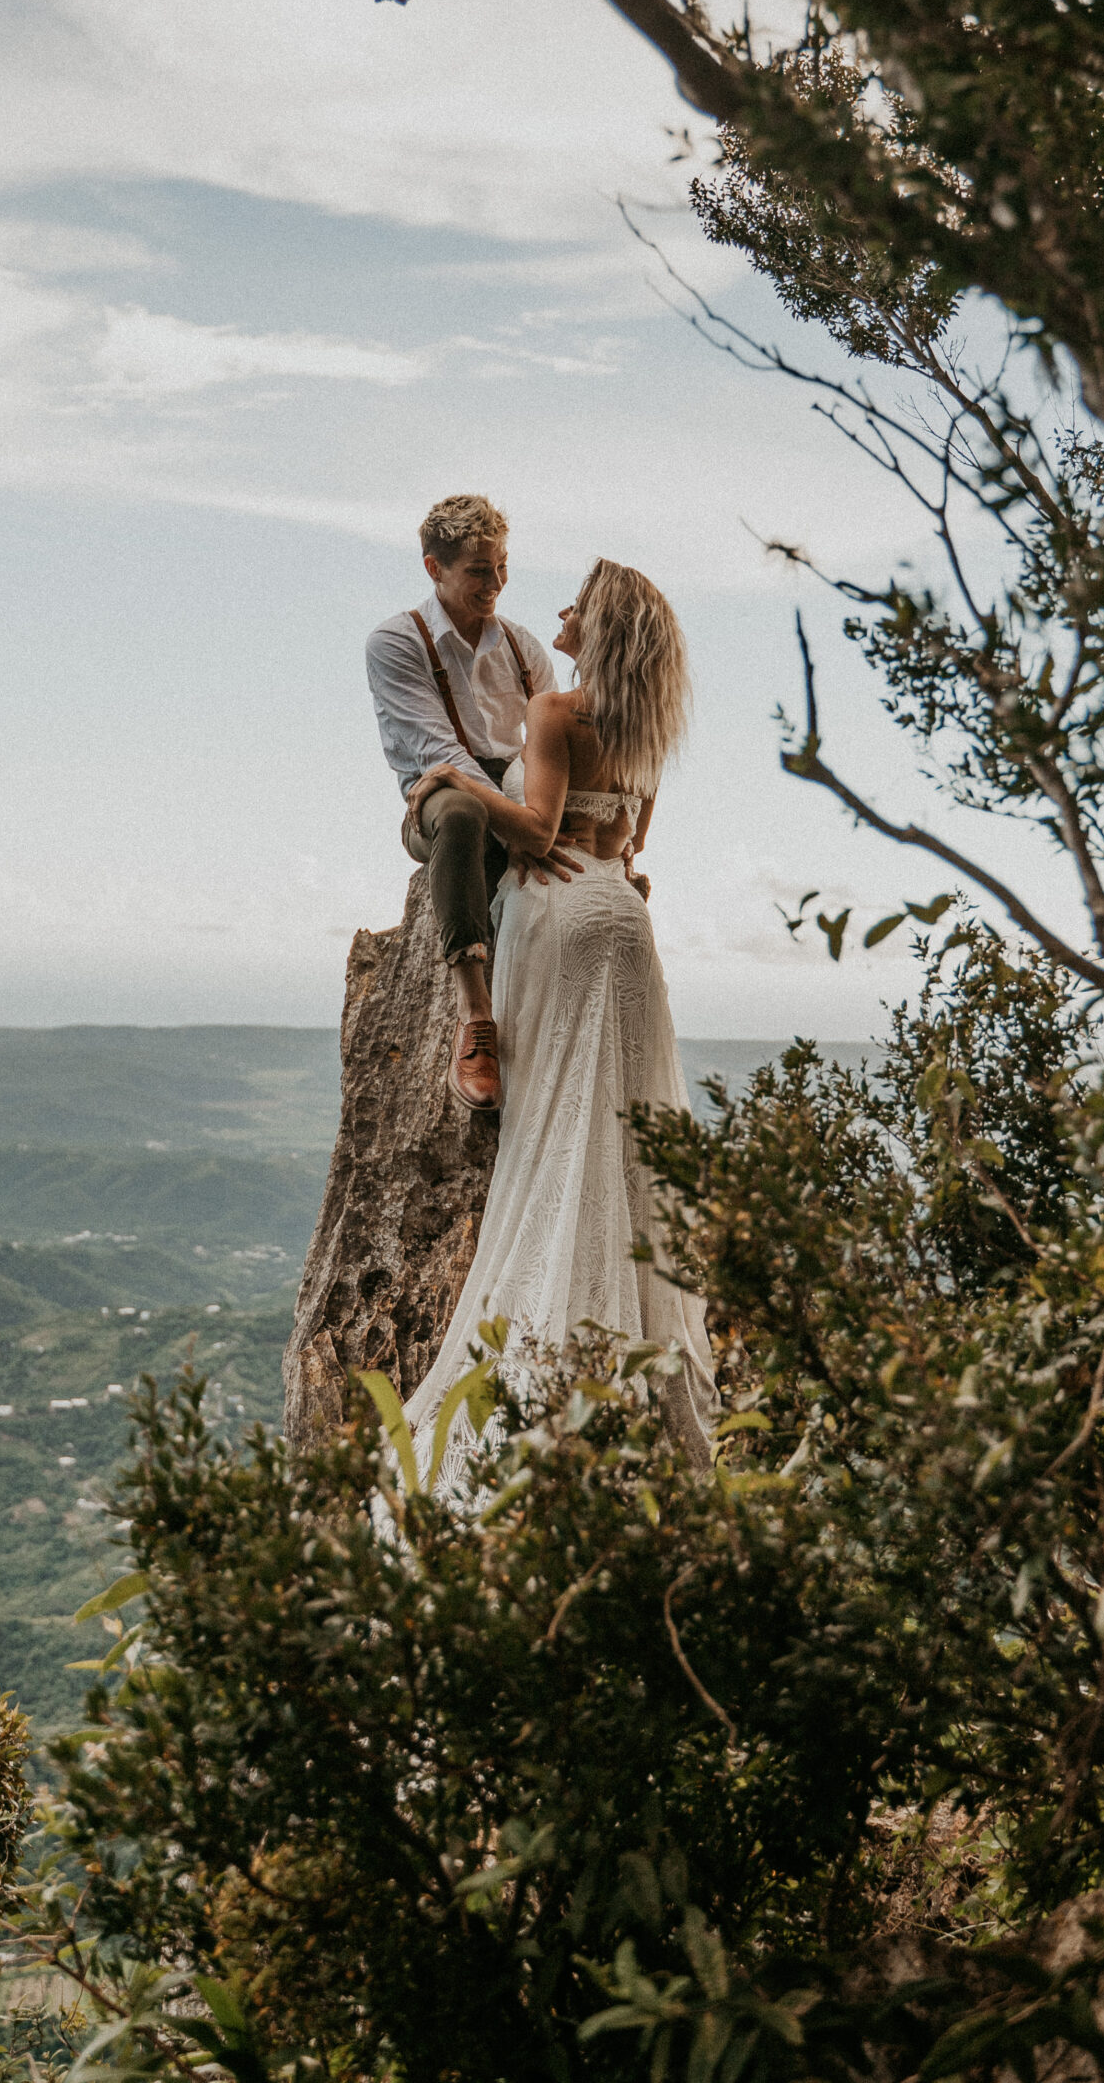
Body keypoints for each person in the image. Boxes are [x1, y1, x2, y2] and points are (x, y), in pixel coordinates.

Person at [397, 557, 718, 1489]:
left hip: (562, 917)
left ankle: (545, 1351)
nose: (562, 611)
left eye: (576, 602)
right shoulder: (647, 728)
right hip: (624, 916)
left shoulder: (556, 714)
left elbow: (536, 835)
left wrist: (443, 788)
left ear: (601, 625)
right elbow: (632, 840)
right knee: (621, 1118)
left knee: (554, 1118)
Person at [365, 493, 574, 1114]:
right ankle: (475, 1016)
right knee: (460, 811)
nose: (496, 583)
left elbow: (549, 748)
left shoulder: (524, 647)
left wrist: (534, 814)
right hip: (438, 801)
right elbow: (442, 757)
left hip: (514, 791)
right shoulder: (397, 641)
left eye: (502, 566)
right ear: (435, 568)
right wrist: (527, 831)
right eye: (479, 570)